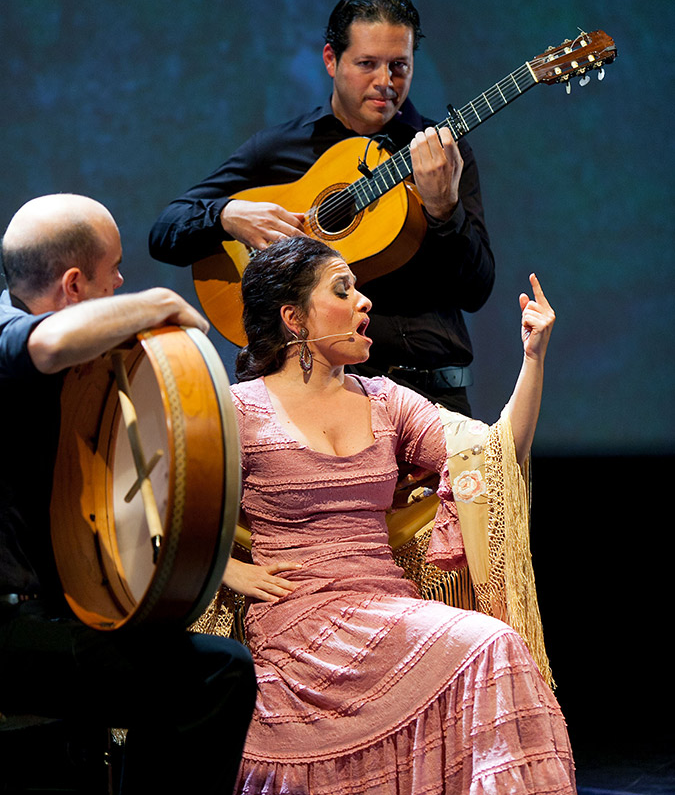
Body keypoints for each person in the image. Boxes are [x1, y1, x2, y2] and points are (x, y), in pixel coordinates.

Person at [212, 235, 575, 794]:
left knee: (493, 646)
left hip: (385, 606)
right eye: (342, 290)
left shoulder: (386, 400)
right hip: (297, 622)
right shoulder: (237, 411)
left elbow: (493, 456)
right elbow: (162, 507)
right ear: (294, 318)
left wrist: (533, 359)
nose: (364, 301)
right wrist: (225, 568)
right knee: (490, 644)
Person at [0, 193, 256, 794]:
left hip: (41, 616)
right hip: (9, 628)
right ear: (72, 285)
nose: (120, 282)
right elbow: (46, 344)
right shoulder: (8, 332)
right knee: (217, 674)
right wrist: (161, 303)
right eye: (113, 270)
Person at [149, 0, 494, 416]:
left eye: (399, 66)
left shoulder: (440, 153)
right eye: (367, 64)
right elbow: (165, 231)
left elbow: (476, 290)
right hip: (322, 403)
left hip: (434, 399)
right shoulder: (280, 150)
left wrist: (444, 211)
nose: (385, 82)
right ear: (331, 59)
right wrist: (227, 215)